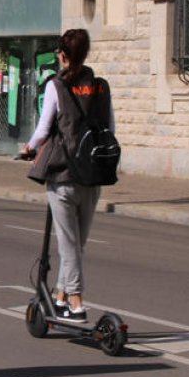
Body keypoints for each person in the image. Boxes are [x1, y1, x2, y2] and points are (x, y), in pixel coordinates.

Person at [20, 28, 116, 323]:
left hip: (63, 174)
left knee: (68, 245)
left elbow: (43, 129)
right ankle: (61, 298)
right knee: (76, 245)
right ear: (85, 54)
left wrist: (29, 148)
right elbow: (111, 127)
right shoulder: (100, 86)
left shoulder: (56, 86)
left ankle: (76, 303)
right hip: (94, 174)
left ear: (62, 55)